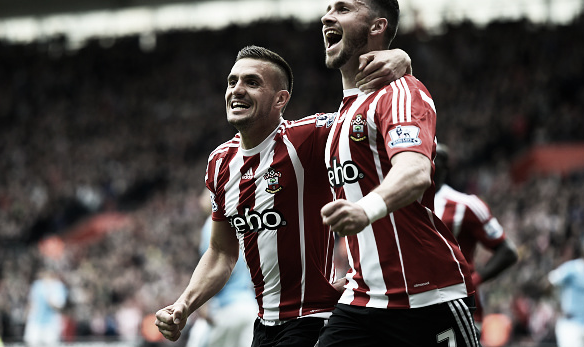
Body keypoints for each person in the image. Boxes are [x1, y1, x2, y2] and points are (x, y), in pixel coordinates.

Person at [155, 45, 411, 347]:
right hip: (263, 325)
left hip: (313, 320)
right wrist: (184, 304)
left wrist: (402, 66)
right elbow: (222, 252)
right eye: (232, 81)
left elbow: (370, 115)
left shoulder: (309, 137)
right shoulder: (219, 162)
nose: (237, 90)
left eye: (252, 82)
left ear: (280, 99)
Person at [317, 0, 480, 347]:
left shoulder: (400, 90)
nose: (327, 17)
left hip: (427, 297)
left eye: (342, 9)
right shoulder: (340, 116)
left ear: (377, 27)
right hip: (362, 299)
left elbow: (416, 171)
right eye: (327, 9)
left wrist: (364, 210)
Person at [433, 143, 518, 329]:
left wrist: (473, 281)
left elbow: (508, 252)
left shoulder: (466, 205)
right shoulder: (405, 204)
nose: (429, 161)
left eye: (435, 157)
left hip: (460, 305)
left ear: (446, 166)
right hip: (417, 307)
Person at [185, 188, 258, 347]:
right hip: (249, 306)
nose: (200, 199)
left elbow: (213, 267)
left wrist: (201, 303)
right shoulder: (239, 222)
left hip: (225, 308)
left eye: (205, 194)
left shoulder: (212, 226)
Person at [547, 244, 584, 347]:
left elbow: (550, 282)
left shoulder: (572, 267)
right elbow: (550, 281)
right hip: (571, 324)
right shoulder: (572, 267)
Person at [23, 267, 68, 347]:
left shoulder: (58, 286)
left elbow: (60, 306)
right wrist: (27, 315)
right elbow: (32, 302)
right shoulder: (37, 285)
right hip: (36, 321)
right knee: (32, 343)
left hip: (51, 323)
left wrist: (49, 297)